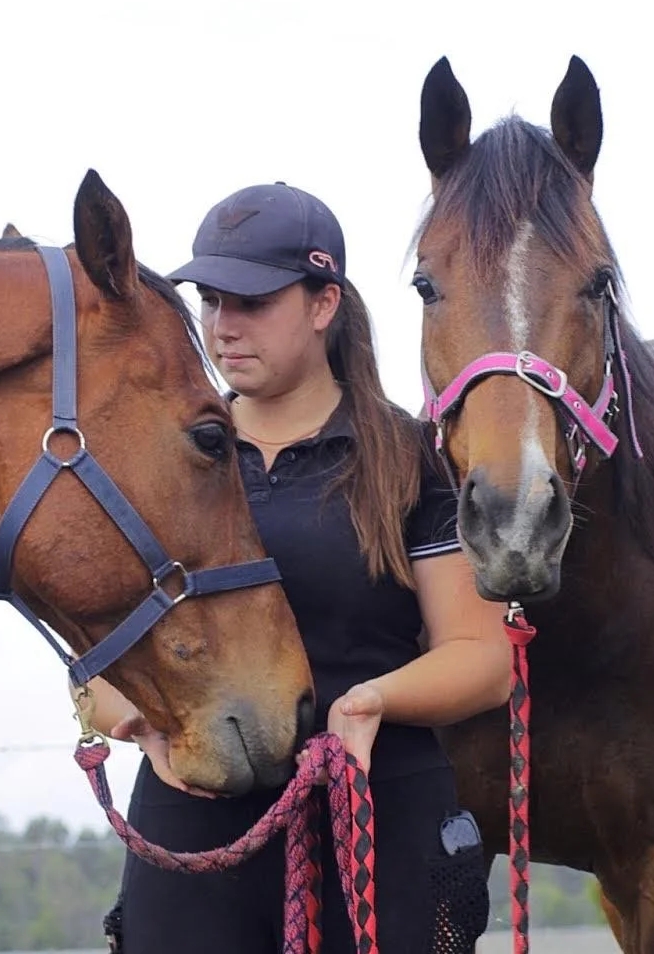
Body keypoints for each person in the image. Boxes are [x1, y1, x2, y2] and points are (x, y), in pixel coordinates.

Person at [81, 182, 513, 953]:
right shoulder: (157, 461)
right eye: (212, 301)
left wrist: (371, 701)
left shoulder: (412, 462)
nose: (224, 326)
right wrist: (134, 717)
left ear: (323, 305)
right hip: (192, 815)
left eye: (252, 302)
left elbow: (484, 660)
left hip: (379, 811)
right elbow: (96, 662)